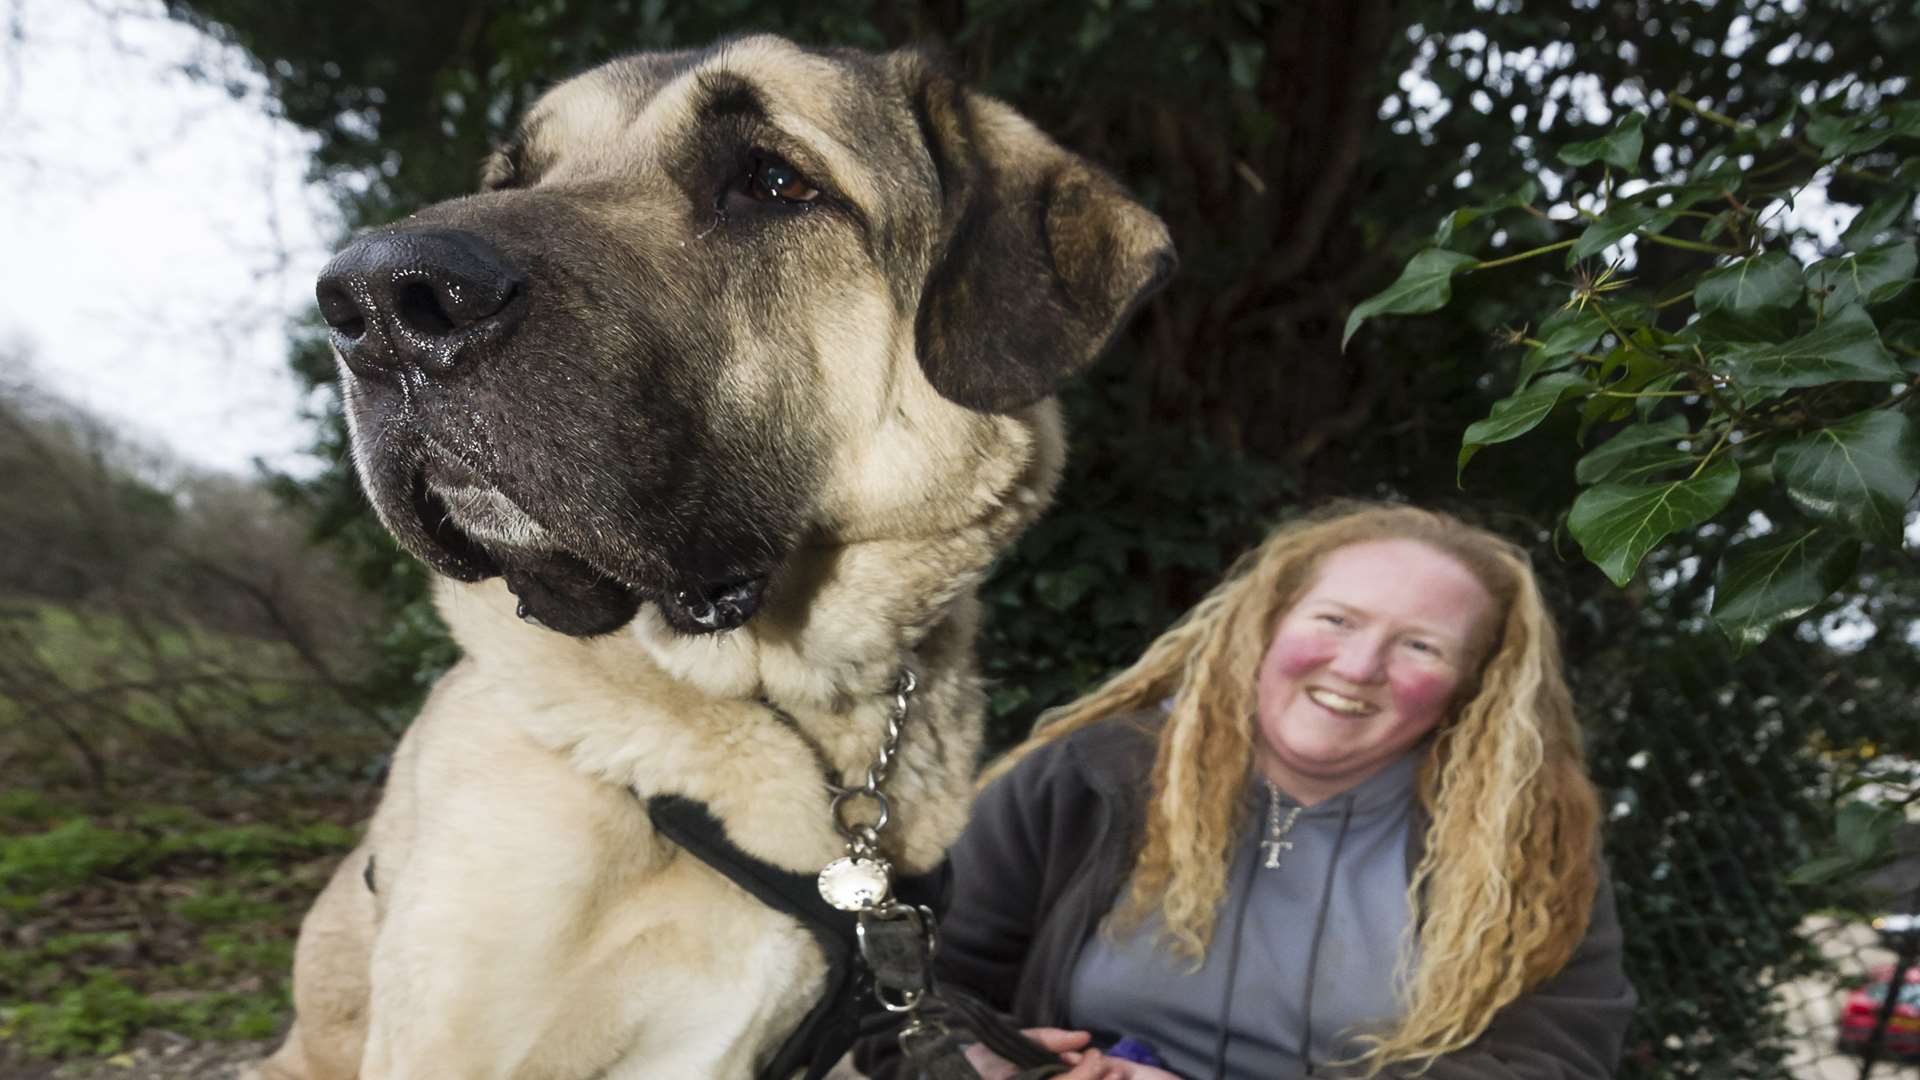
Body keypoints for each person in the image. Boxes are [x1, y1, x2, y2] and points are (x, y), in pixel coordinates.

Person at [856, 502, 1634, 1080]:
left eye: (1420, 646)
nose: (1359, 667)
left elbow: (1551, 1060)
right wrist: (972, 1062)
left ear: (1473, 686)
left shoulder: (1524, 846)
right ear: (1265, 623)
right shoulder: (1094, 778)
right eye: (1335, 619)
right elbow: (916, 982)